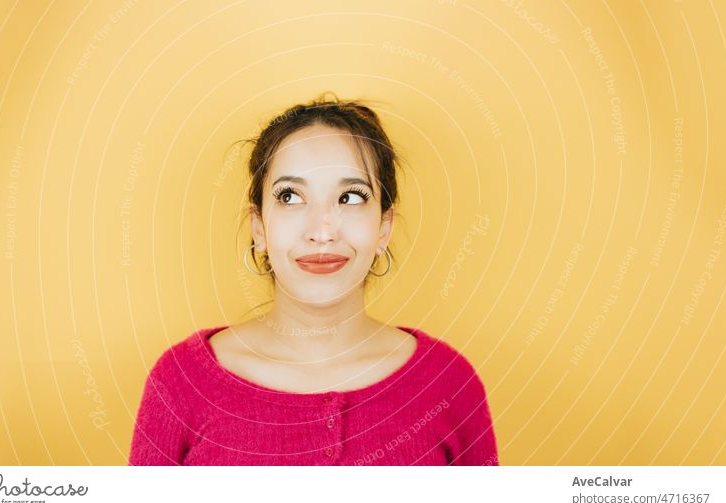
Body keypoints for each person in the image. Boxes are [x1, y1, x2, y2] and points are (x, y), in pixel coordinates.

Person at [129, 93, 499, 465]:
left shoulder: (449, 384)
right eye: (290, 196)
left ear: (383, 228)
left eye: (351, 197)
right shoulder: (181, 383)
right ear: (259, 227)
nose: (322, 232)